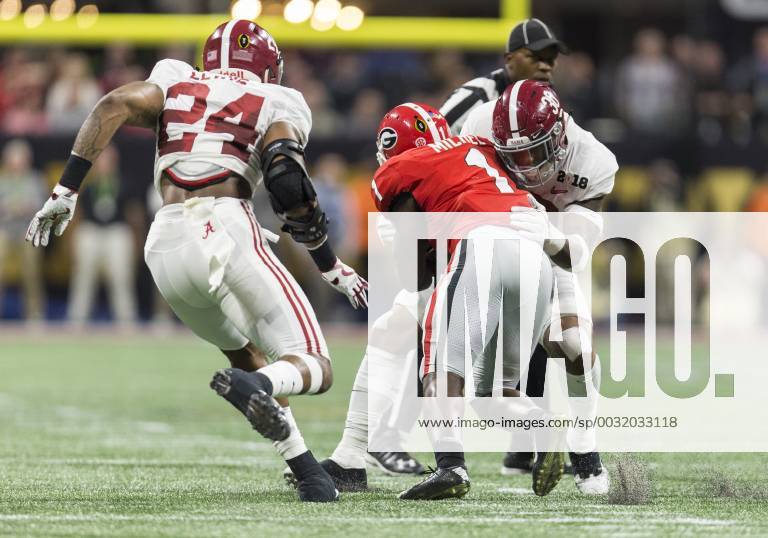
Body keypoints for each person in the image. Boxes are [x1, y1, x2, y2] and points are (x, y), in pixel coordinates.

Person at [25, 20, 367, 503]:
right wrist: (330, 265)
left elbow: (112, 104)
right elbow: (289, 182)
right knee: (313, 364)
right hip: (224, 224)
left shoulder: (174, 77)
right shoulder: (279, 100)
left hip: (163, 244)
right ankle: (257, 388)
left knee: (246, 355)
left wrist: (66, 191)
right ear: (269, 66)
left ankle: (308, 472)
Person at [460, 80, 617, 494]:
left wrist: (548, 234)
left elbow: (578, 253)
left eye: (534, 151)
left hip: (553, 250)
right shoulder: (478, 124)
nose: (526, 166)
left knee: (574, 343)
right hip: (488, 249)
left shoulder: (594, 161)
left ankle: (584, 448)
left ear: (560, 137)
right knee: (481, 386)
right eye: (514, 156)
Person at [439, 17, 568, 135]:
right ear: (509, 59)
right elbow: (430, 142)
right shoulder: (477, 96)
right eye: (535, 57)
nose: (545, 66)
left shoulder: (550, 100)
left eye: (551, 59)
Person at [66, 145, 139, 325]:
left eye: (109, 160)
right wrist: (72, 243)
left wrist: (137, 242)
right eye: (102, 160)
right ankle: (76, 321)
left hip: (116, 231)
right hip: (91, 231)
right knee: (83, 276)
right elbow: (78, 216)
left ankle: (126, 322)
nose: (105, 164)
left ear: (115, 163)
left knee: (120, 277)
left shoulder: (125, 184)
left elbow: (134, 216)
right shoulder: (88, 186)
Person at [0, 139, 45, 320]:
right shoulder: (2, 181)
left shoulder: (36, 180)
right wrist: (13, 208)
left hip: (28, 230)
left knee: (32, 270)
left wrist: (17, 208)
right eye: (13, 158)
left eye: (21, 158)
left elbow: (40, 207)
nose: (17, 162)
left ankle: (34, 314)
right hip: (5, 229)